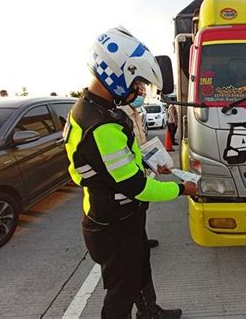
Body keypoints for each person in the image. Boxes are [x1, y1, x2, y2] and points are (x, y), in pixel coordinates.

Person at [64, 25, 198, 319]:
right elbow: (136, 187)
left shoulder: (91, 109)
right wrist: (181, 189)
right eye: (137, 82)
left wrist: (149, 163)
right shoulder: (102, 125)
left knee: (139, 267)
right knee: (120, 292)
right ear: (116, 72)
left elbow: (96, 167)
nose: (139, 90)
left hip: (120, 217)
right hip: (112, 223)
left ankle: (150, 312)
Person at [120, 85, 160, 249]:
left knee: (141, 207)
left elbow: (140, 145)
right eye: (139, 90)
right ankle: (134, 243)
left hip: (140, 164)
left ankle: (141, 239)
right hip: (129, 169)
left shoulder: (135, 112)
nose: (142, 94)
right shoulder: (121, 115)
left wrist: (152, 162)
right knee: (133, 208)